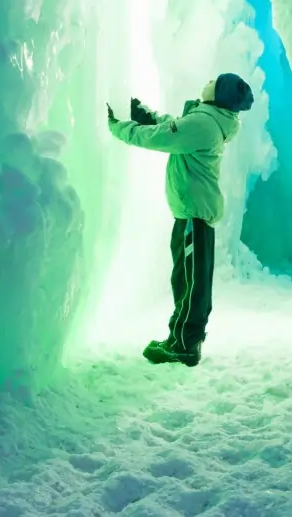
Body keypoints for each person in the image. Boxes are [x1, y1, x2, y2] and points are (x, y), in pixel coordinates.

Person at [106, 73, 254, 367]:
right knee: (186, 279)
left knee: (191, 283)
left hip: (193, 216)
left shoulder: (204, 124)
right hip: (191, 213)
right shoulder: (209, 120)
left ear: (218, 93)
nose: (208, 81)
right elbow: (174, 126)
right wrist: (147, 115)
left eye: (214, 81)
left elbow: (163, 136)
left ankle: (186, 345)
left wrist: (119, 128)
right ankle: (179, 338)